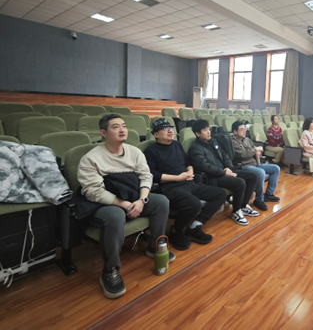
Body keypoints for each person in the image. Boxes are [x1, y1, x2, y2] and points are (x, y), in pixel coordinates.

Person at [78, 114, 173, 299]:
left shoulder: (134, 152)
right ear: (103, 133)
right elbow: (93, 191)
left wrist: (142, 200)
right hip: (103, 202)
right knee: (115, 215)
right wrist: (123, 204)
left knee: (161, 201)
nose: (122, 130)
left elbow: (146, 176)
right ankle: (110, 269)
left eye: (124, 126)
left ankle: (154, 247)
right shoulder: (91, 158)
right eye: (116, 127)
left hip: (132, 196)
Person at [144, 118, 227, 251]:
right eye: (165, 129)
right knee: (194, 203)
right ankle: (176, 231)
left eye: (171, 128)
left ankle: (195, 225)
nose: (170, 131)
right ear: (156, 134)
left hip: (187, 182)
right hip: (169, 188)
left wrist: (190, 171)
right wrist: (177, 178)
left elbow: (188, 161)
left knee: (220, 193)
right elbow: (153, 175)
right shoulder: (150, 151)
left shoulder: (177, 145)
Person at [188, 119, 259, 226]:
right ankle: (236, 212)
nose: (209, 132)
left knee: (252, 176)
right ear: (197, 134)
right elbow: (205, 167)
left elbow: (225, 155)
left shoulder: (213, 142)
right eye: (205, 130)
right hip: (212, 177)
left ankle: (243, 206)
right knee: (239, 182)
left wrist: (228, 167)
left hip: (225, 171)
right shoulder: (195, 148)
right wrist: (224, 172)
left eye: (209, 129)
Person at [231, 121, 280, 212]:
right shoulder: (233, 142)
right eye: (241, 129)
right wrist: (255, 150)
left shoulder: (247, 139)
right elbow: (243, 155)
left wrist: (257, 152)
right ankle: (259, 200)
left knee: (275, 168)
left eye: (245, 129)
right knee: (260, 172)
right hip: (244, 166)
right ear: (235, 131)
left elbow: (254, 151)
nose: (244, 131)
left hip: (255, 164)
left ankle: (269, 194)